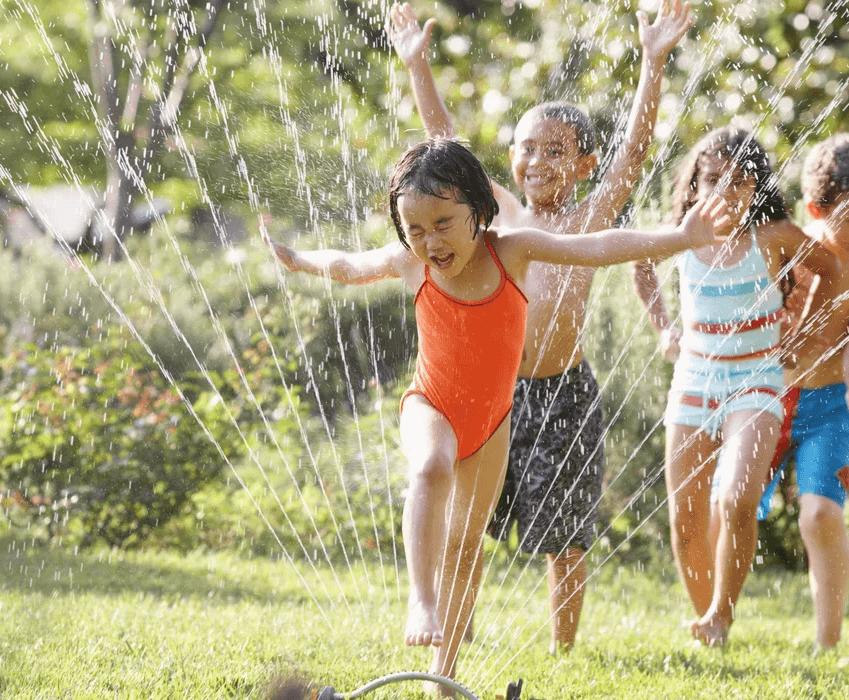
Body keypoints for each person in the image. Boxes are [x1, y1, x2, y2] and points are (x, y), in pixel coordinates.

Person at [268, 138, 728, 691]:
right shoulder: (411, 263)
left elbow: (599, 245)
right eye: (415, 229)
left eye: (442, 223)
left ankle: (444, 672)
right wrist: (299, 260)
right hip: (430, 405)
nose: (430, 242)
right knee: (431, 468)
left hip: (491, 423)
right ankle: (421, 600)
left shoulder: (511, 249)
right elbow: (346, 265)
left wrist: (679, 237)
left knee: (466, 545)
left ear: (479, 209)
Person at [388, 0, 695, 654]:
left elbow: (634, 153)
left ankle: (562, 647)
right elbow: (442, 142)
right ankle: (452, 629)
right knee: (463, 526)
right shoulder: (493, 216)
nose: (536, 161)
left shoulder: (587, 217)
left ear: (583, 163)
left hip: (562, 390)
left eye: (555, 150)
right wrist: (418, 65)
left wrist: (652, 61)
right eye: (526, 148)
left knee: (566, 529)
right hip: (486, 395)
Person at [631, 126, 840, 647]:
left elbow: (831, 270)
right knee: (685, 516)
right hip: (695, 380)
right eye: (713, 180)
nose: (726, 193)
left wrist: (805, 332)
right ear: (695, 184)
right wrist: (663, 327)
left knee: (737, 500)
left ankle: (723, 612)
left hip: (756, 382)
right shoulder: (681, 235)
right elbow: (639, 261)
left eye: (740, 182)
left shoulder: (774, 238)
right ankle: (708, 624)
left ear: (757, 187)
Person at [758, 133, 849, 650]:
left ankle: (827, 643)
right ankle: (716, 616)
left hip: (831, 404)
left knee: (820, 514)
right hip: (768, 397)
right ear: (817, 207)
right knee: (735, 505)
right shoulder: (789, 251)